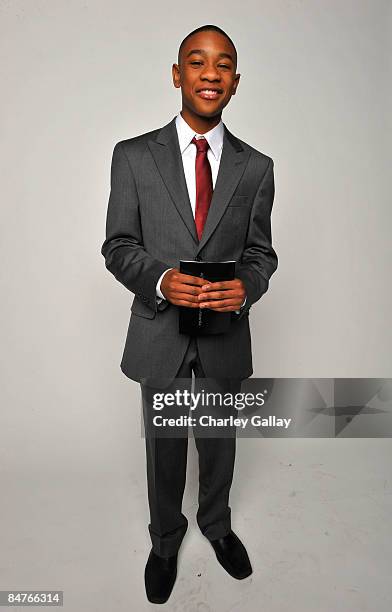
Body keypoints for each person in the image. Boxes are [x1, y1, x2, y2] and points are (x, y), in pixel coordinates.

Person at [101, 24, 278, 604]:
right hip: (160, 334)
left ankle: (218, 526)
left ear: (234, 83)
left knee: (220, 438)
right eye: (196, 63)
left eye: (223, 65)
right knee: (165, 444)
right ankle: (164, 540)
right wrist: (158, 279)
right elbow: (118, 245)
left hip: (225, 335)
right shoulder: (132, 157)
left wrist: (247, 287)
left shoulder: (256, 168)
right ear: (177, 75)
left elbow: (260, 253)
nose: (210, 73)